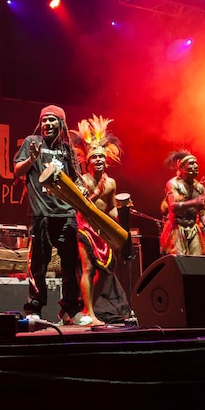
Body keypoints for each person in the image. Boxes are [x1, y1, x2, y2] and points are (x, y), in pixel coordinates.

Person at [14, 105, 82, 325]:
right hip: (40, 213)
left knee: (71, 265)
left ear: (61, 124)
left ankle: (70, 310)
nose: (47, 124)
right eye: (44, 120)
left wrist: (83, 189)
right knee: (38, 265)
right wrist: (32, 159)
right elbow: (17, 171)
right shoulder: (31, 143)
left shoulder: (66, 149)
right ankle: (35, 308)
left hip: (66, 214)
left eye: (52, 120)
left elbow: (77, 179)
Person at [71, 114, 128, 326]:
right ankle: (90, 313)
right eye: (95, 157)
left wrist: (117, 227)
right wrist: (91, 198)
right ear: (87, 159)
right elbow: (79, 206)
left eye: (102, 157)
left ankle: (87, 308)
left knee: (105, 272)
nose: (99, 160)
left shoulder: (111, 183)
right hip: (85, 228)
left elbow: (112, 209)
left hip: (104, 230)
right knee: (88, 268)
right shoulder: (81, 181)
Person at [159, 150, 205, 256]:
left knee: (196, 261)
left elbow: (201, 212)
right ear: (181, 167)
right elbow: (173, 206)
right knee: (180, 262)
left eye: (196, 163)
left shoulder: (200, 187)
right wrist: (195, 202)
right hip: (177, 228)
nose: (196, 166)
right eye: (191, 163)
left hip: (193, 228)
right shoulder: (173, 184)